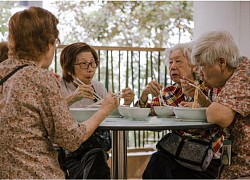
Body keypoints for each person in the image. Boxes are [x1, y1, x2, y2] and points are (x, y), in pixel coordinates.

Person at [0, 7, 118, 179]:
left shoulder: (4, 71)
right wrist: (105, 109)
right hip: (35, 171)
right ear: (47, 43)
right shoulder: (40, 78)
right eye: (55, 41)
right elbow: (71, 138)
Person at [142, 42, 223, 179]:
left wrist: (200, 101)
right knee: (157, 161)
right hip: (177, 153)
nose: (172, 66)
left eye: (178, 61)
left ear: (194, 66)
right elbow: (147, 112)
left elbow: (222, 118)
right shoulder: (169, 92)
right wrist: (144, 95)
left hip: (206, 157)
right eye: (170, 62)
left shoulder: (211, 87)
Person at [58, 42, 135, 179]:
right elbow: (51, 113)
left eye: (93, 63)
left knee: (96, 157)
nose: (90, 69)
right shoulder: (58, 86)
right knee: (96, 161)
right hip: (68, 152)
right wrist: (73, 98)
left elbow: (110, 115)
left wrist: (125, 103)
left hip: (95, 148)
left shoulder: (98, 87)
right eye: (84, 64)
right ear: (69, 68)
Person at [189, 30, 250, 179]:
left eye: (202, 65)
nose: (200, 73)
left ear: (221, 62)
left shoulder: (244, 75)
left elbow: (218, 115)